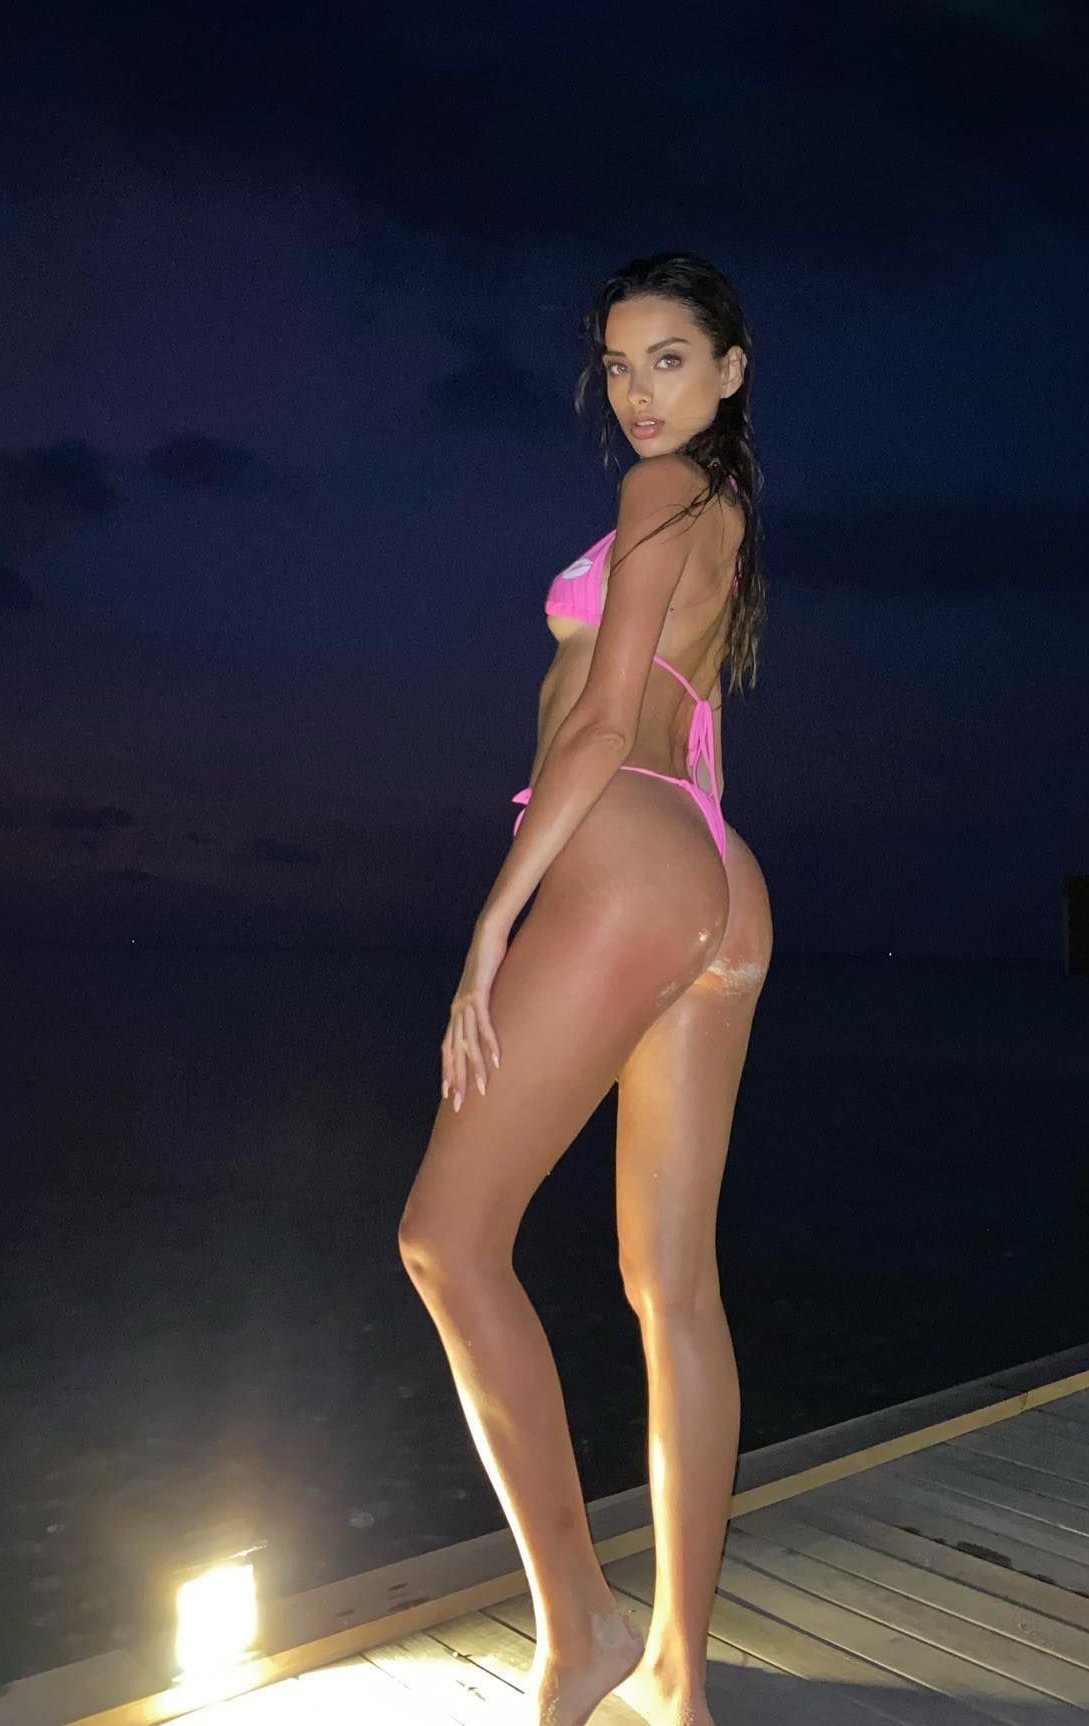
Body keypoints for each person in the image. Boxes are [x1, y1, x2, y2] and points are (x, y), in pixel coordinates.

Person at [398, 253, 773, 1726]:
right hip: (715, 873)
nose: (637, 393)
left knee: (447, 1240)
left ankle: (581, 1624)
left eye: (669, 359)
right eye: (619, 366)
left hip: (627, 854)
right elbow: (690, 727)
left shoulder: (660, 491)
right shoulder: (725, 509)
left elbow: (607, 719)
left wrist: (494, 928)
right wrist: (704, 891)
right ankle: (680, 1675)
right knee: (674, 1286)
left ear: (731, 369)